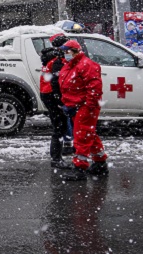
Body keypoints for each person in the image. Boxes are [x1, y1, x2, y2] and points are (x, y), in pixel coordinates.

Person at [58, 39, 108, 181]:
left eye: (67, 51)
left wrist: (89, 105)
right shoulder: (71, 65)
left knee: (81, 136)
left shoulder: (86, 65)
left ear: (75, 51)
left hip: (85, 106)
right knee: (88, 134)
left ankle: (80, 167)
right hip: (77, 106)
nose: (65, 54)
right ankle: (100, 163)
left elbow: (94, 87)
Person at [39, 33, 72, 169]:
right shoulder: (57, 59)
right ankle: (56, 159)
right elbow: (56, 81)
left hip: (47, 93)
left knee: (60, 125)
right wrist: (59, 98)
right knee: (59, 126)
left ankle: (59, 155)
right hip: (52, 95)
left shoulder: (51, 56)